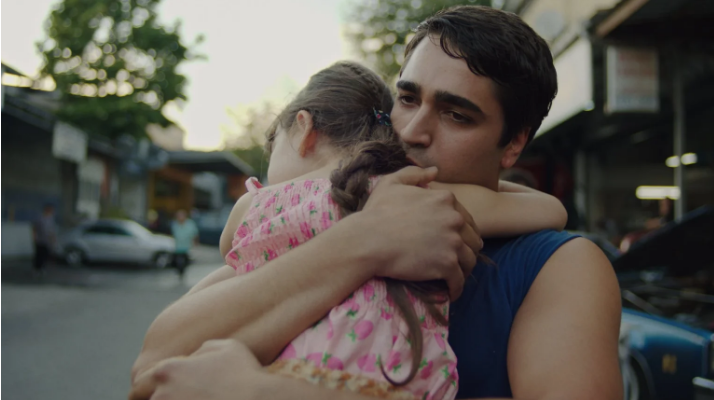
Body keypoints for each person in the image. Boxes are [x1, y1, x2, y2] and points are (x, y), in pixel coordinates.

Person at [131, 6, 622, 400]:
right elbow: (154, 366)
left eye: (456, 115)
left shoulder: (555, 266)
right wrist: (366, 240)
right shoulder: (321, 218)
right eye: (406, 99)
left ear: (513, 144)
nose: (412, 131)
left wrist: (266, 392)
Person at [171, 210, 198, 279]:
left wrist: (195, 242)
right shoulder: (175, 224)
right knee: (177, 261)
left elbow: (195, 234)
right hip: (177, 247)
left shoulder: (190, 224)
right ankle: (179, 272)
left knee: (185, 260)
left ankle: (183, 271)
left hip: (186, 246)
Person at [33, 204, 57, 275]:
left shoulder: (51, 219)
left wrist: (53, 239)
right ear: (46, 210)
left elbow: (52, 230)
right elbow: (35, 229)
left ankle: (42, 268)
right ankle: (37, 269)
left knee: (45, 255)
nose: (51, 212)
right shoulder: (40, 218)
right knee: (39, 255)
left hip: (47, 241)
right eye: (50, 211)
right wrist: (34, 237)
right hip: (40, 240)